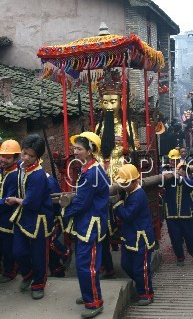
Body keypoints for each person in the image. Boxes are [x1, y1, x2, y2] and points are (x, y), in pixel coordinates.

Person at [62, 131, 109, 319]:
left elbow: (82, 202)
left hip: (90, 224)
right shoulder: (89, 169)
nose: (75, 152)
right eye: (75, 148)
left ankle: (94, 301)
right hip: (87, 222)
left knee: (86, 264)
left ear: (90, 151)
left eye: (79, 149)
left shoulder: (92, 174)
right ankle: (88, 294)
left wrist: (64, 212)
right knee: (84, 262)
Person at [6, 134, 54, 300]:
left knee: (39, 255)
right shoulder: (20, 165)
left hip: (38, 219)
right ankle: (27, 274)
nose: (25, 157)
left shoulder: (38, 176)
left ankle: (38, 284)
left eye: (30, 155)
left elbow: (32, 204)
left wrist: (14, 200)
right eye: (24, 153)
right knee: (17, 251)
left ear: (38, 157)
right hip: (22, 216)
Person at [113, 164, 155, 306]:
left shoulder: (138, 195)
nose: (123, 186)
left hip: (140, 238)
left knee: (140, 268)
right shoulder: (130, 192)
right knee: (125, 264)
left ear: (134, 181)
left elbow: (128, 215)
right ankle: (141, 285)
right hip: (130, 236)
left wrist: (117, 204)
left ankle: (146, 294)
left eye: (125, 184)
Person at [163, 161, 193, 265]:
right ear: (177, 170)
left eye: (185, 170)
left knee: (189, 236)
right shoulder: (170, 180)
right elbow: (161, 183)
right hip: (171, 214)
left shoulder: (189, 181)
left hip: (185, 214)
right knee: (175, 237)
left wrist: (179, 178)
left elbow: (191, 185)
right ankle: (180, 257)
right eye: (181, 169)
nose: (182, 171)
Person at [0, 140, 21, 283]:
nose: (4, 160)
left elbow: (8, 200)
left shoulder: (15, 175)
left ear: (15, 158)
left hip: (8, 217)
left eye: (8, 157)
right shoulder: (3, 169)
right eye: (2, 156)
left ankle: (10, 272)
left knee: (7, 247)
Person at [47, 173, 72, 277]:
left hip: (55, 218)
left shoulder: (49, 181)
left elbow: (55, 202)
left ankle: (66, 252)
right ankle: (56, 270)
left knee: (51, 242)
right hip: (47, 218)